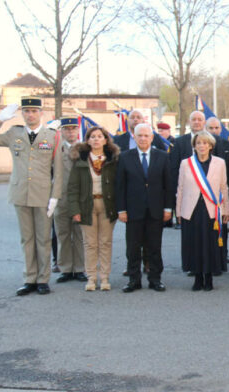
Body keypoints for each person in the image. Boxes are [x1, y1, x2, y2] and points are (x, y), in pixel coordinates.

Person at [0, 96, 63, 296]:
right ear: (22, 113)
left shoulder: (52, 136)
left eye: (34, 111)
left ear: (41, 113)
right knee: (27, 239)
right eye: (26, 111)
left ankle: (43, 280)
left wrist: (55, 196)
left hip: (43, 195)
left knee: (43, 239)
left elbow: (59, 170)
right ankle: (29, 279)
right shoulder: (13, 133)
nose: (30, 115)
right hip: (20, 193)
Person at [116, 124, 173, 293]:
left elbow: (168, 185)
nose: (142, 138)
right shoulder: (125, 157)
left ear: (152, 137)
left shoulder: (162, 156)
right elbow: (120, 186)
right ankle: (134, 280)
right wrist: (121, 210)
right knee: (133, 248)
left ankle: (155, 279)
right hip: (133, 211)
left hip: (156, 210)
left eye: (146, 135)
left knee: (154, 247)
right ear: (134, 136)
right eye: (139, 135)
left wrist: (168, 208)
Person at [176, 131, 229, 291]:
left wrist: (226, 209)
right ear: (194, 145)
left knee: (210, 244)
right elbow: (180, 188)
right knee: (194, 244)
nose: (202, 146)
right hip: (191, 209)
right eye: (199, 143)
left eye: (205, 143)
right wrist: (178, 212)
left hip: (211, 209)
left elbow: (223, 187)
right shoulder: (186, 163)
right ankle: (197, 277)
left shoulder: (219, 163)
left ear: (211, 146)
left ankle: (209, 276)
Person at [68, 126, 120, 291]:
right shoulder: (81, 160)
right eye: (92, 137)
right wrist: (75, 209)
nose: (96, 139)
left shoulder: (113, 160)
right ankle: (91, 277)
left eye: (99, 136)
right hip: (87, 206)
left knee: (105, 242)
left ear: (106, 140)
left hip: (107, 205)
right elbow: (73, 187)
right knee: (90, 243)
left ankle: (104, 277)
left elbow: (120, 185)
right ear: (88, 140)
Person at [53, 117, 86, 284]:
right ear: (62, 131)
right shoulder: (55, 149)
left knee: (80, 235)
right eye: (67, 129)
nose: (70, 132)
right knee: (63, 234)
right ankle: (66, 268)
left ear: (77, 130)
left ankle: (80, 268)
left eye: (73, 128)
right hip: (61, 198)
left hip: (80, 199)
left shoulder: (85, 149)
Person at [207, 116, 229, 264]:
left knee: (223, 225)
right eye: (210, 128)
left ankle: (224, 253)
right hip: (205, 193)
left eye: (217, 128)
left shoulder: (228, 145)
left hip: (222, 193)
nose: (214, 131)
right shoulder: (201, 145)